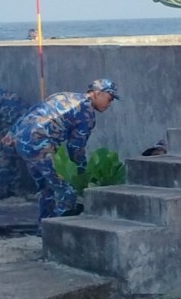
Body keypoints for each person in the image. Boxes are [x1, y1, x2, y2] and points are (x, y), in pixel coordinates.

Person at [13, 78, 118, 219]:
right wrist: (82, 173)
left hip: (22, 140)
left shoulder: (63, 96)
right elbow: (75, 148)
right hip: (40, 146)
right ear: (97, 93)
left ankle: (44, 228)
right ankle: (58, 230)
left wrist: (12, 132)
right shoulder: (86, 113)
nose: (109, 104)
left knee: (46, 188)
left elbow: (33, 110)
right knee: (66, 191)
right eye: (110, 98)